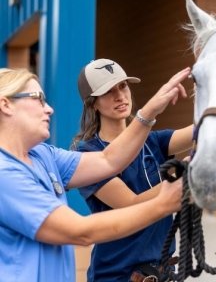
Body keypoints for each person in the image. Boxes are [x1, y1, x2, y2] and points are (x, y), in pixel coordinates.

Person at [0, 66, 191, 282]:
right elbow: (80, 231)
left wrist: (150, 111)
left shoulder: (42, 155)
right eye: (38, 99)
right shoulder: (5, 175)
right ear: (5, 104)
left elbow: (108, 159)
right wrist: (165, 201)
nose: (49, 109)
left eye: (123, 86)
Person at [72, 58, 193, 282]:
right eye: (108, 91)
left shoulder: (153, 141)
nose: (120, 95)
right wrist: (180, 174)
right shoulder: (88, 155)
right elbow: (131, 204)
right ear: (93, 104)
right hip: (117, 276)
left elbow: (201, 131)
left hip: (164, 274)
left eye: (123, 86)